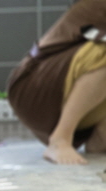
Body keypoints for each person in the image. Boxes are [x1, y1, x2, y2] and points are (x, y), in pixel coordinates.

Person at [8, 0, 106, 165]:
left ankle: (100, 141)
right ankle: (60, 138)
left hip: (67, 98)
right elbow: (89, 32)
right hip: (35, 90)